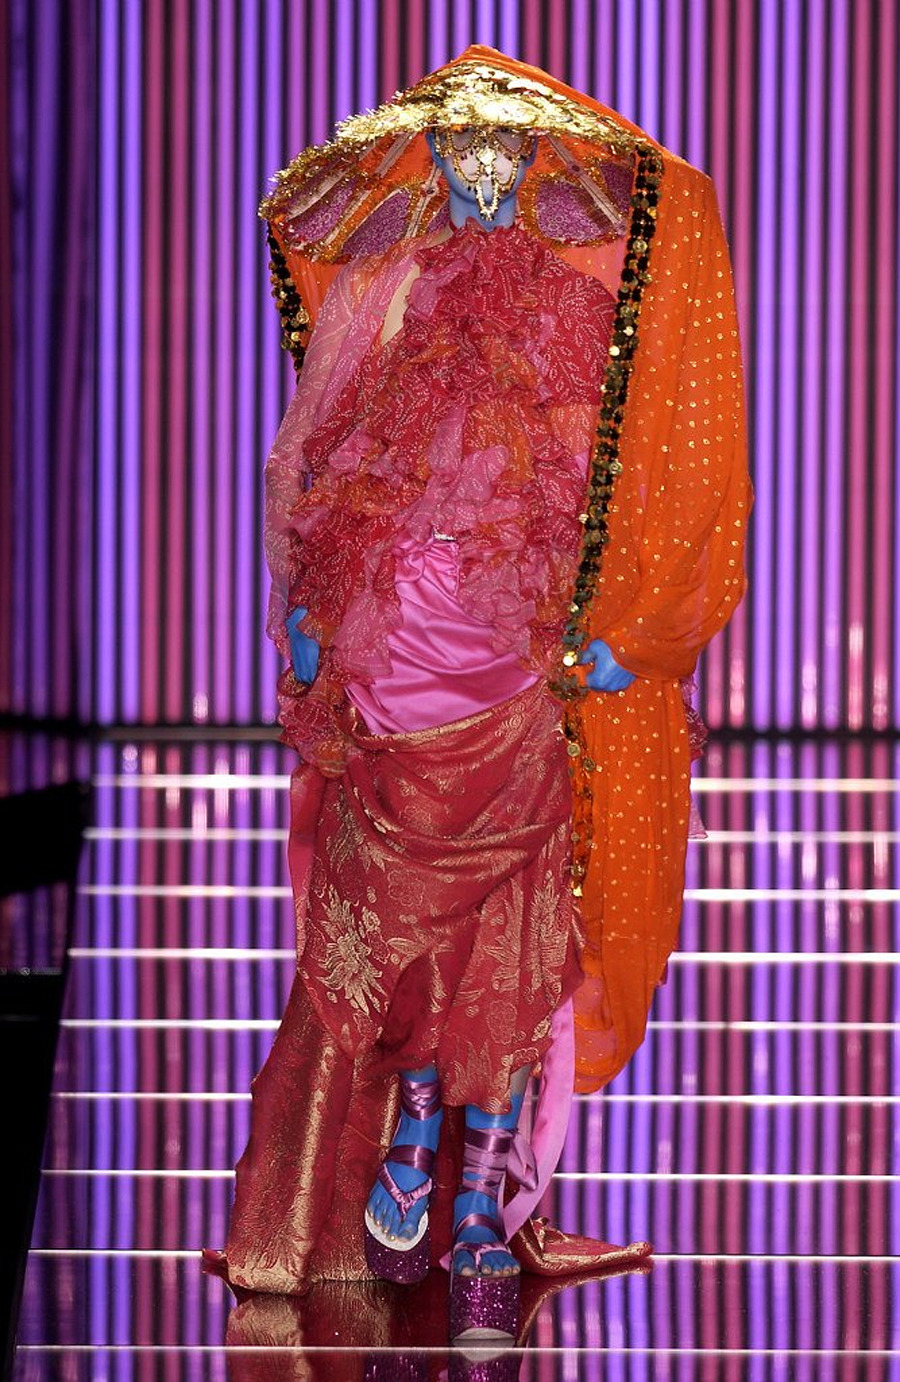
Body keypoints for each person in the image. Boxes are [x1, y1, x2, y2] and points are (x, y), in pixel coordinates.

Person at [202, 46, 751, 1338]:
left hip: (519, 644)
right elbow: (331, 457)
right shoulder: (389, 296)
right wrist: (305, 614)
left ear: (540, 165)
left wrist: (636, 630)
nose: (484, 166)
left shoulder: (572, 310)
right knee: (398, 892)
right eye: (460, 149)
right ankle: (406, 1135)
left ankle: (476, 1193)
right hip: (404, 643)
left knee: (518, 913)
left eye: (505, 148)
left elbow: (605, 473)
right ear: (433, 164)